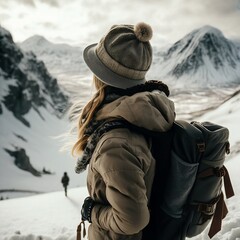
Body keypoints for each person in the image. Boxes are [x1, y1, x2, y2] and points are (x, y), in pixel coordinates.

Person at [72, 22, 175, 240]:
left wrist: (94, 213)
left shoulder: (114, 143)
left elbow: (132, 220)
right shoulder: (146, 116)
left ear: (101, 77)